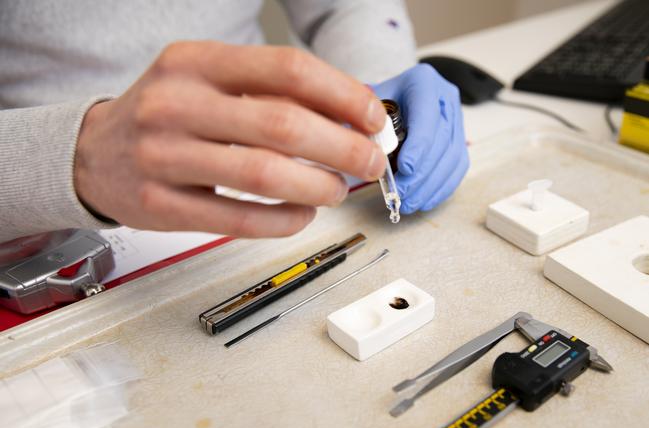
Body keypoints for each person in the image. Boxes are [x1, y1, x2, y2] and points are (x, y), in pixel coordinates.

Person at [0, 0, 469, 245]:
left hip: (265, 160)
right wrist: (68, 159)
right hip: (42, 226)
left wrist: (376, 85)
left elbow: (347, 5)